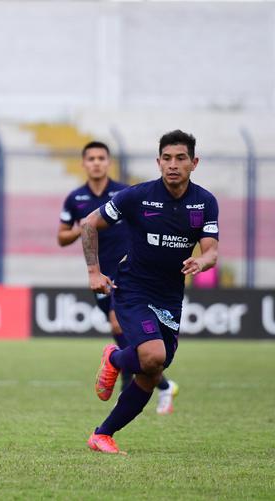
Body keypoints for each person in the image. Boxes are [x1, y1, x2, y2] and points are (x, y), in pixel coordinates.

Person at [80, 130, 219, 454]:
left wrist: (202, 261)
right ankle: (116, 358)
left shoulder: (205, 201)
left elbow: (212, 250)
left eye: (180, 158)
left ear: (194, 163)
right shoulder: (136, 197)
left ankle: (103, 433)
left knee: (155, 367)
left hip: (170, 295)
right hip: (133, 288)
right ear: (158, 162)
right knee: (152, 355)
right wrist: (93, 271)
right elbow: (89, 224)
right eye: (167, 158)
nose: (173, 165)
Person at [58, 142, 178, 411]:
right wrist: (87, 224)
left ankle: (139, 382)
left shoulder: (124, 193)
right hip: (99, 273)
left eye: (102, 158)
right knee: (124, 334)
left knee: (118, 324)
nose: (97, 163)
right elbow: (62, 237)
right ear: (84, 163)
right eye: (91, 158)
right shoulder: (75, 198)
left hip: (129, 272)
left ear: (108, 162)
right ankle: (160, 384)